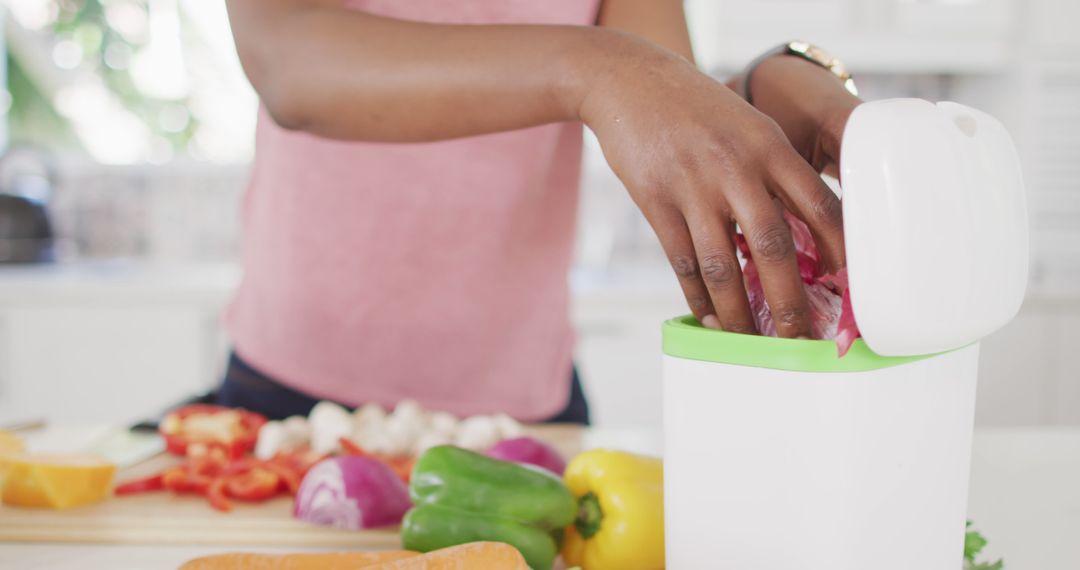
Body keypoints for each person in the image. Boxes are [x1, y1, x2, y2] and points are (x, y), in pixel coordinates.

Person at [218, 0, 862, 424]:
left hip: (524, 404)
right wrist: (594, 69)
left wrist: (769, 83)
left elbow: (666, 90)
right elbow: (287, 61)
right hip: (294, 390)